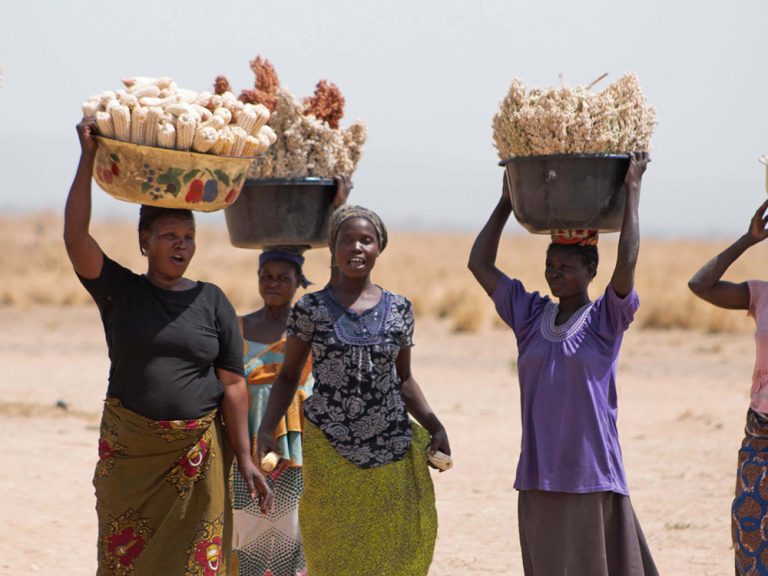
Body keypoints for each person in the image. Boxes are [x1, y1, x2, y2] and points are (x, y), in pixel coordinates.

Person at [64, 118, 271, 575]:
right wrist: (87, 159)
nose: (181, 246)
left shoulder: (211, 300)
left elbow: (233, 384)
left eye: (189, 238)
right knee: (126, 562)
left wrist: (244, 457)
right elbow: (76, 238)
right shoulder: (121, 291)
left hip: (198, 456)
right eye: (169, 236)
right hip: (132, 458)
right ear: (144, 241)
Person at [468, 152, 658, 575]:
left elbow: (627, 262)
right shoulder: (530, 315)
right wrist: (505, 203)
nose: (554, 273)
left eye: (566, 266)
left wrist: (633, 192)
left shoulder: (605, 320)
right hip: (539, 472)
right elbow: (479, 264)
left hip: (590, 472)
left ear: (590, 270)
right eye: (550, 265)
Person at [256, 205, 450, 575]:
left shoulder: (399, 309)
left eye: (366, 240)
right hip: (329, 448)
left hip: (390, 445)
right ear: (333, 247)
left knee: (394, 547)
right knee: (330, 546)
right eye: (347, 240)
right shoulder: (310, 308)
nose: (356, 248)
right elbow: (288, 376)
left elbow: (404, 379)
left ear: (379, 248)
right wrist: (267, 429)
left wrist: (435, 425)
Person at [688, 198, 768, 575]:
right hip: (761, 432)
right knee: (750, 534)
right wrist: (747, 239)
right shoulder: (762, 295)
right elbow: (700, 284)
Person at [231, 249, 314, 576]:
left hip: (295, 451)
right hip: (247, 449)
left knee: (291, 528)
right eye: (267, 276)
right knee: (247, 528)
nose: (274, 283)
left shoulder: (308, 331)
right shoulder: (238, 327)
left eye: (283, 278)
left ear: (298, 283)